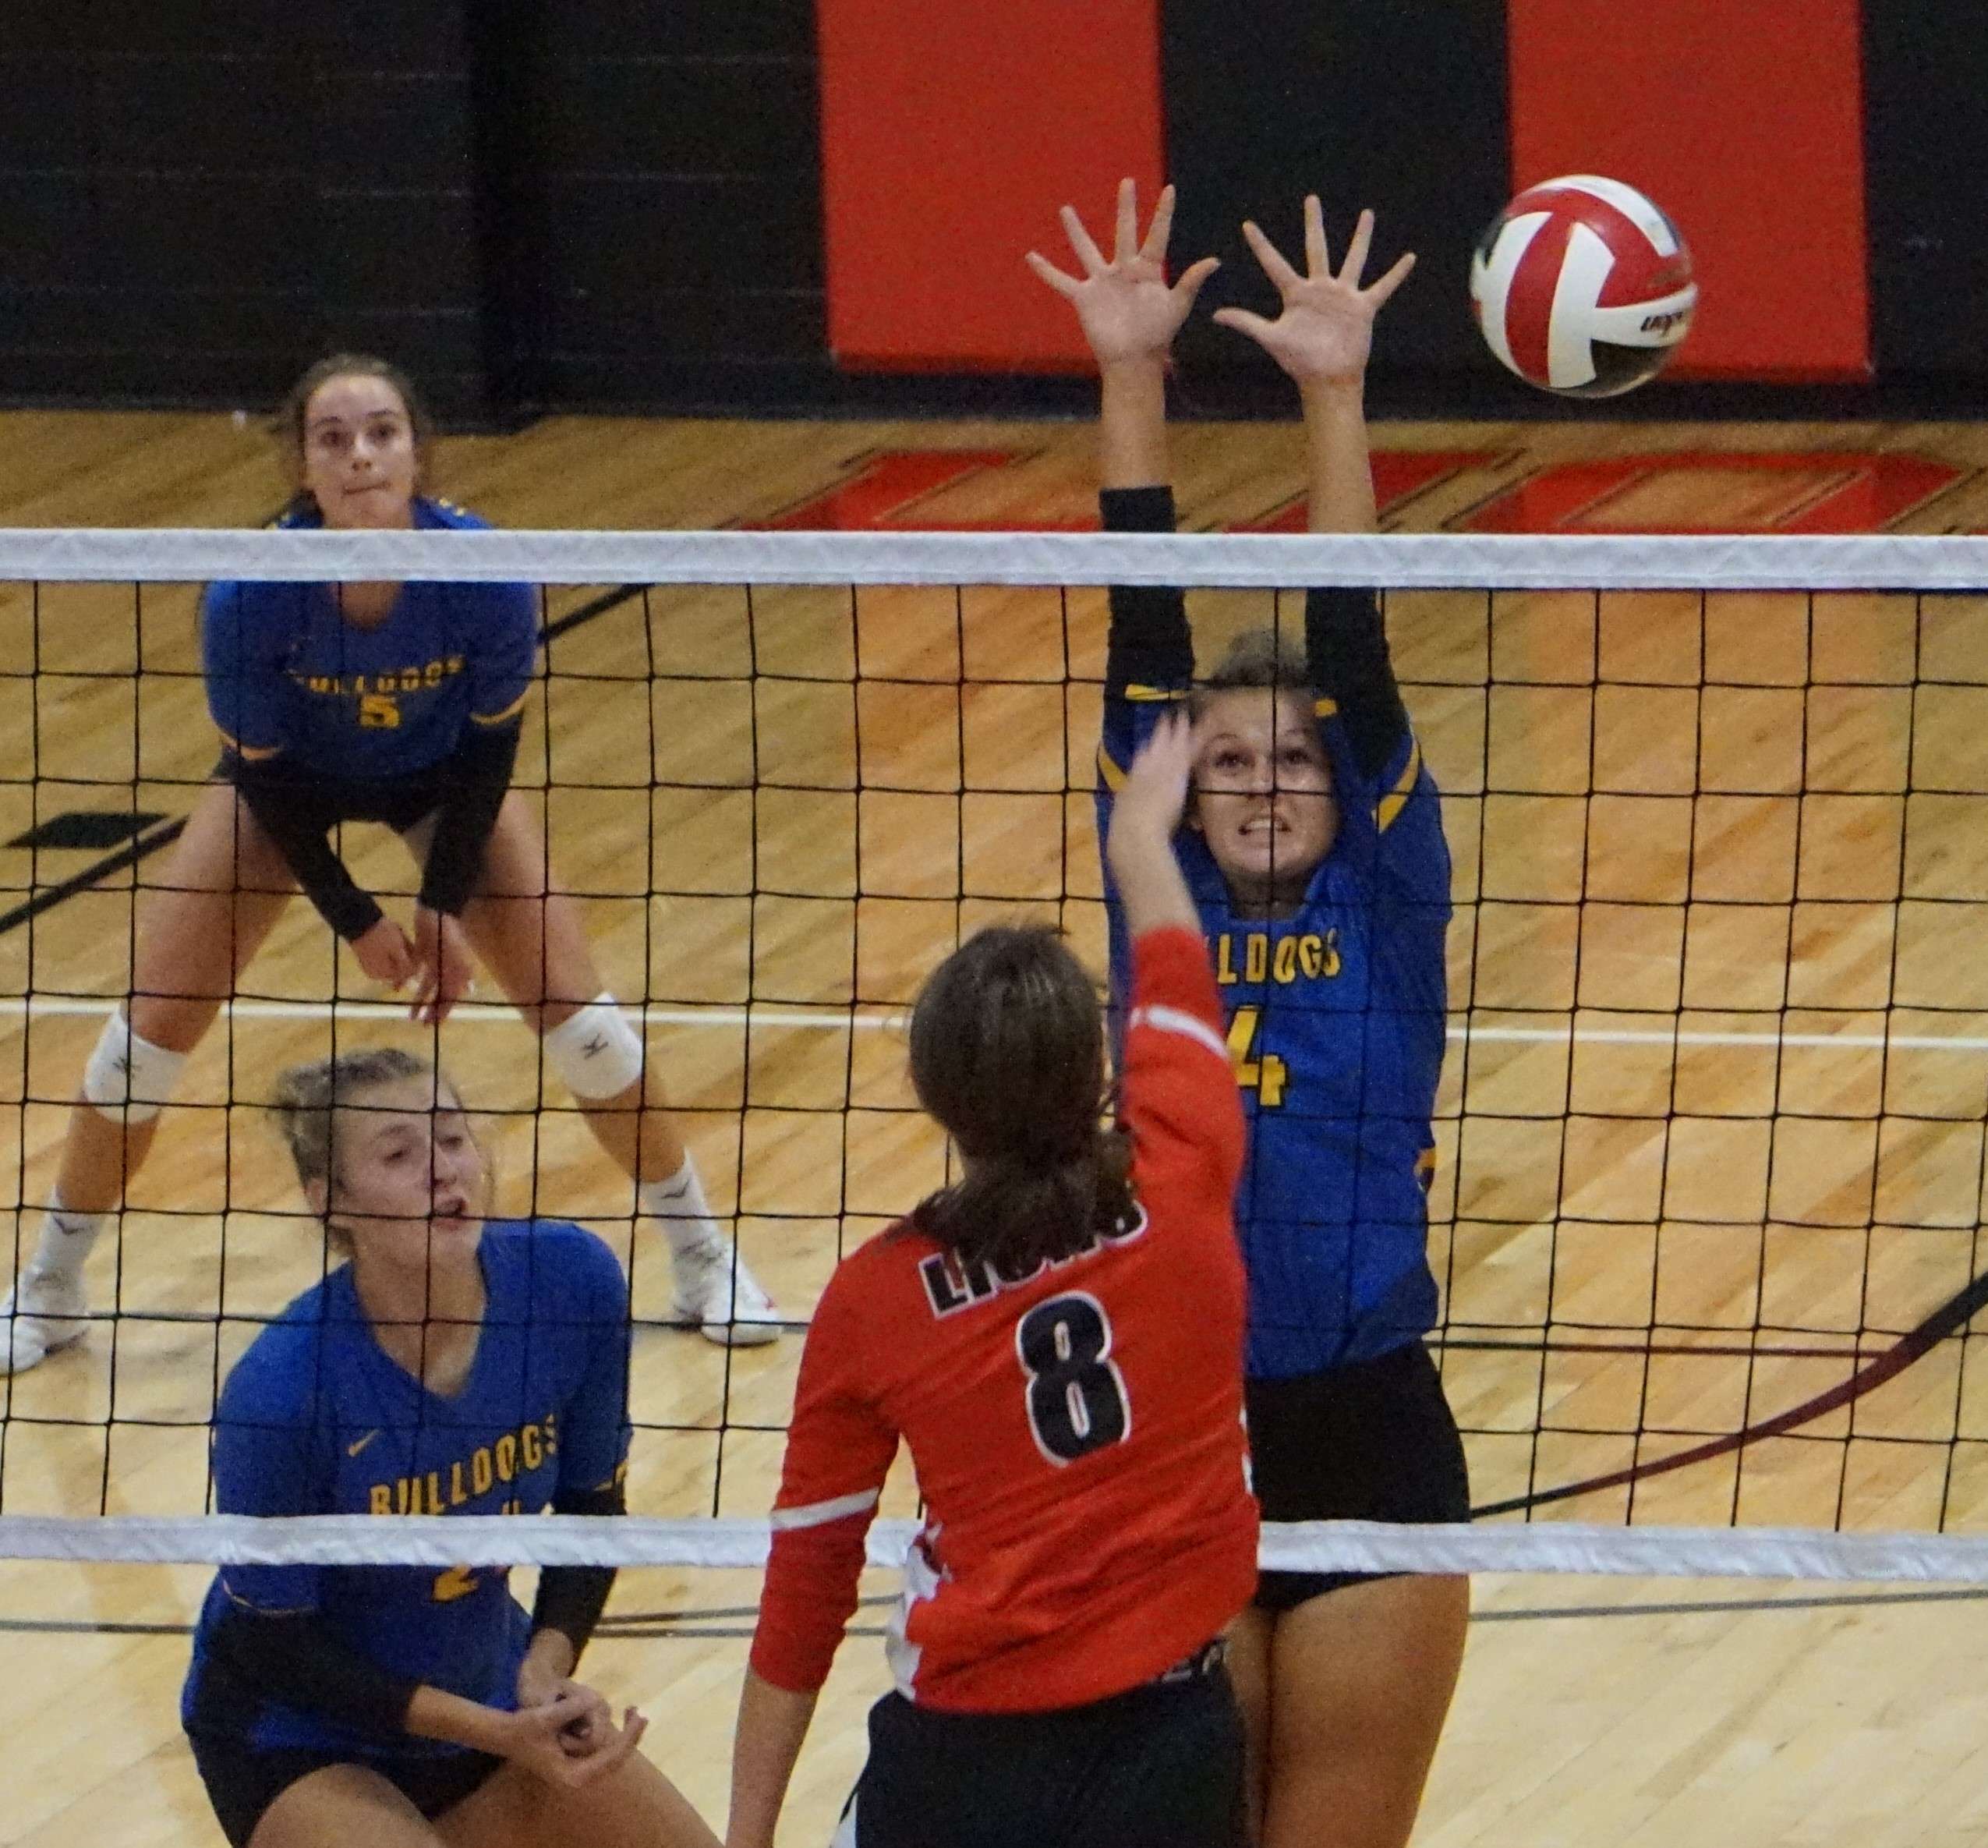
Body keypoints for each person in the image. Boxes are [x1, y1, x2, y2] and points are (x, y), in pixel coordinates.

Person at [2, 352, 775, 1375]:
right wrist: (359, 917)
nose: (360, 454)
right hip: (286, 788)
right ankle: (48, 1285)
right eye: (334, 439)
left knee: (584, 1025)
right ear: (302, 465)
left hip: (445, 778)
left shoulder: (484, 572)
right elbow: (266, 776)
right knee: (142, 1044)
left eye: (381, 433)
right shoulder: (249, 595)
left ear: (417, 449)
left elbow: (492, 746)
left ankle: (702, 1257)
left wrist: (444, 900)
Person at [1030, 181, 1470, 1848]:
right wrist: (1127, 376)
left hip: (1367, 1422)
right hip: (1179, 1425)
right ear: (1179, 793)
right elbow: (1145, 626)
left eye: (1295, 756)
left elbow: (1352, 645)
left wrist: (1335, 396)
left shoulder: (1390, 892)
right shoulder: (1163, 890)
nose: (1269, 777)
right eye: (1229, 758)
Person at [727, 713, 1258, 1848]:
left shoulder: (875, 1301)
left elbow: (807, 1576)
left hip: (967, 1768)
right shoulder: (1186, 1166)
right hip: (1170, 1747)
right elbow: (1174, 980)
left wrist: (749, 1828)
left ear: (935, 1097)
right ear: (1096, 1065)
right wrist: (1141, 846)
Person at [179, 1044, 719, 1848]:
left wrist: (541, 1675)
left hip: (490, 1701)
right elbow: (276, 1646)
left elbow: (589, 1509)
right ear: (331, 1202)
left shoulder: (571, 1284)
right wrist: (490, 1729)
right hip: (302, 1736)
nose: (444, 1170)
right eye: (400, 1154)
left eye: (455, 1139)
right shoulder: (283, 1391)